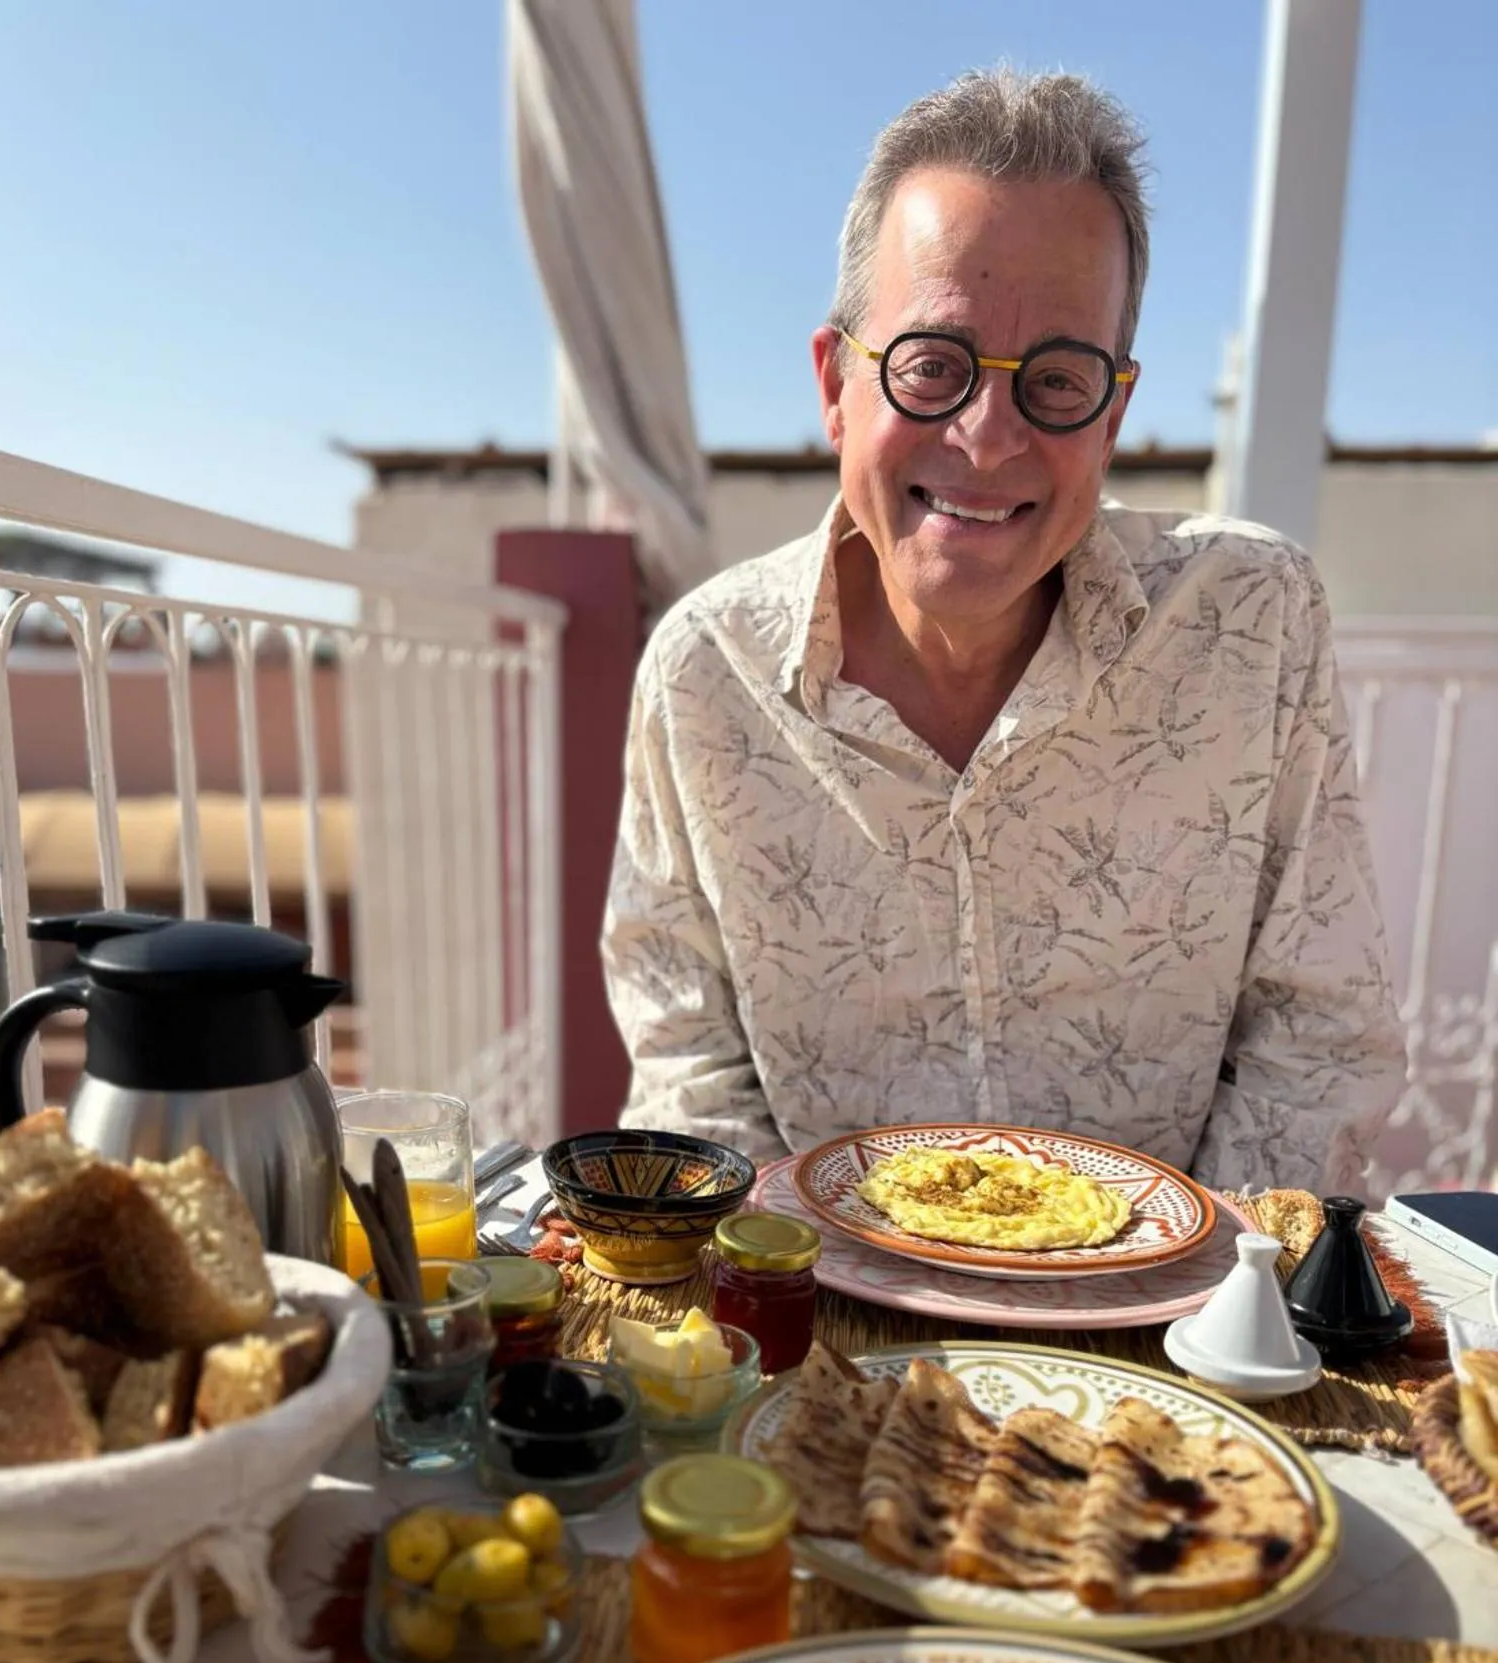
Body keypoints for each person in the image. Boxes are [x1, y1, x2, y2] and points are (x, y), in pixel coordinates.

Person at [601, 66, 1405, 1192]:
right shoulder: (705, 672)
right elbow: (688, 1060)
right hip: (828, 1313)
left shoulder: (1252, 623)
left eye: (1059, 381)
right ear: (838, 386)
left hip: (1182, 1317)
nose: (986, 438)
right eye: (932, 367)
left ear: (1113, 414)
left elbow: (1319, 1033)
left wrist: (1204, 1303)